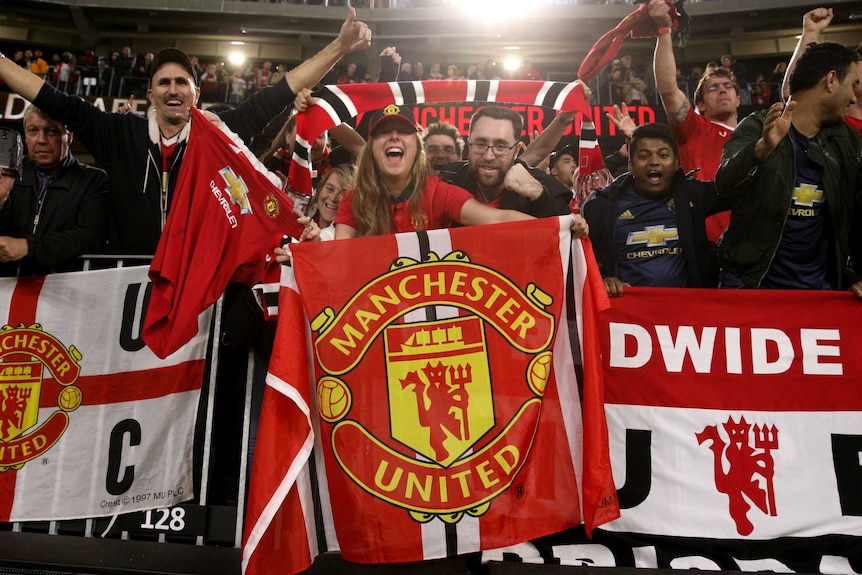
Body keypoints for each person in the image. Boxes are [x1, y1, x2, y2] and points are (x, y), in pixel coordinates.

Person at [0, 7, 372, 256]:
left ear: (196, 93)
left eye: (182, 82)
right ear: (151, 94)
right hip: (124, 285)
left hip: (200, 293)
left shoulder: (219, 132)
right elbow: (49, 96)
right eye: (163, 82)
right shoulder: (119, 133)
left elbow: (281, 93)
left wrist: (339, 47)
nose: (173, 89)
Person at [715, 41, 862, 298]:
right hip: (752, 287)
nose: (852, 97)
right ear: (831, 80)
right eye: (852, 85)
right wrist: (761, 150)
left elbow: (857, 215)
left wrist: (855, 276)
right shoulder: (757, 126)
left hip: (818, 292)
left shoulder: (847, 141)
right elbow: (724, 184)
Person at [330, 105, 588, 239]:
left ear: (415, 146)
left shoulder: (438, 190)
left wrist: (562, 224)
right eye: (384, 133)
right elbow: (340, 256)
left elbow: (497, 219)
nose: (489, 155)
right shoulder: (356, 199)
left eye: (404, 132)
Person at [581, 123, 726, 297]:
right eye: (644, 156)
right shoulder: (601, 206)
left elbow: (743, 192)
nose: (654, 162)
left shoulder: (694, 195)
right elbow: (581, 262)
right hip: (626, 316)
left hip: (686, 314)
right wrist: (602, 279)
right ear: (631, 165)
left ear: (676, 164)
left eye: (663, 155)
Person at [649, 0, 740, 242]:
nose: (722, 90)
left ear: (739, 98)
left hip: (756, 248)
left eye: (727, 86)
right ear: (700, 104)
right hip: (706, 245)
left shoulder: (757, 135)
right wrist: (664, 31)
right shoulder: (694, 128)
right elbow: (668, 90)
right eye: (713, 88)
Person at [0, 106, 109, 276]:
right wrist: (1, 199)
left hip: (62, 291)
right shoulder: (7, 174)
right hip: (7, 290)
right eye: (33, 131)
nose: (41, 140)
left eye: (51, 131)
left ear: (69, 137)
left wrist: (28, 247)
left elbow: (89, 238)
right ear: (25, 136)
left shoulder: (93, 180)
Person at [437, 106, 572, 218]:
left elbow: (565, 228)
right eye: (480, 144)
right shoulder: (450, 177)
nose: (489, 156)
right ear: (469, 143)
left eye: (501, 147)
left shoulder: (541, 184)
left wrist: (539, 194)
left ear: (516, 150)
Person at [307, 164, 354, 241]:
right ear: (319, 189)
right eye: (330, 189)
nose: (333, 198)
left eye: (344, 193)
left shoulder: (352, 239)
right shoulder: (301, 217)